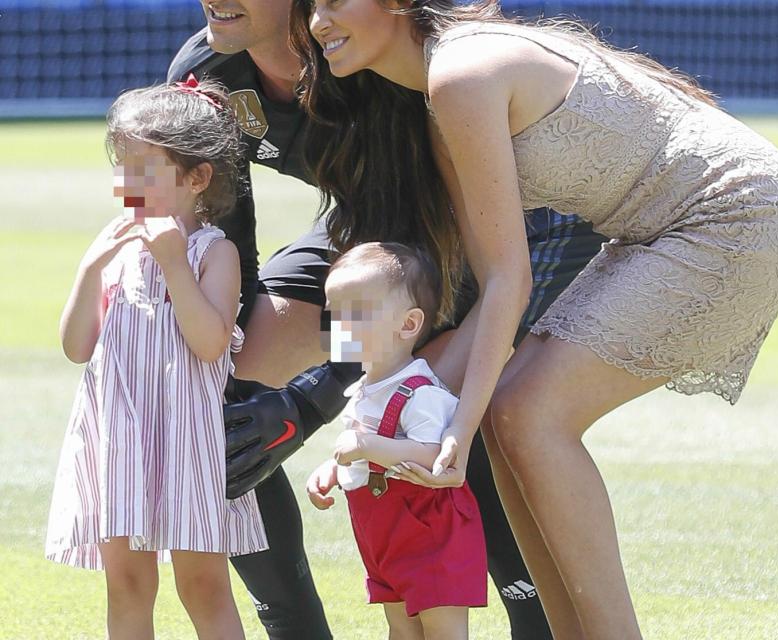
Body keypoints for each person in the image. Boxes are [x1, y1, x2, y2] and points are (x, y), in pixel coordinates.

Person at [290, 2, 778, 638]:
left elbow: (511, 279)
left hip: (738, 216)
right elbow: (497, 283)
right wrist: (462, 423)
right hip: (658, 231)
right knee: (507, 409)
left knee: (528, 411)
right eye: (311, 4)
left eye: (335, 0)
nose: (318, 20)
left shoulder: (461, 73)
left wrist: (455, 428)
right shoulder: (441, 100)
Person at [167, 2, 607, 638]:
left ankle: (534, 619)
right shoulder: (206, 70)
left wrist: (307, 404)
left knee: (461, 397)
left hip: (518, 222)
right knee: (218, 393)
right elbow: (228, 251)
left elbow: (415, 286)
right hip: (373, 220)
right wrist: (229, 373)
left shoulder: (371, 55)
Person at [44, 80, 268, 640]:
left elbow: (210, 342)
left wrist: (172, 263)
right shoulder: (115, 248)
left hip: (186, 440)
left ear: (197, 179)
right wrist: (88, 271)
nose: (126, 183)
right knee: (126, 584)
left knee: (203, 585)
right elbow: (76, 347)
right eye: (121, 166)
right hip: (119, 437)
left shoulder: (212, 251)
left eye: (144, 169)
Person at [308, 242, 487, 639]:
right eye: (332, 313)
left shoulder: (420, 393)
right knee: (400, 628)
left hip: (432, 535)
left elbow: (433, 456)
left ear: (407, 325)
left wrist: (367, 447)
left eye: (354, 314)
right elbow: (358, 450)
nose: (337, 326)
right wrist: (333, 470)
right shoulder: (364, 388)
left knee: (442, 629)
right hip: (385, 536)